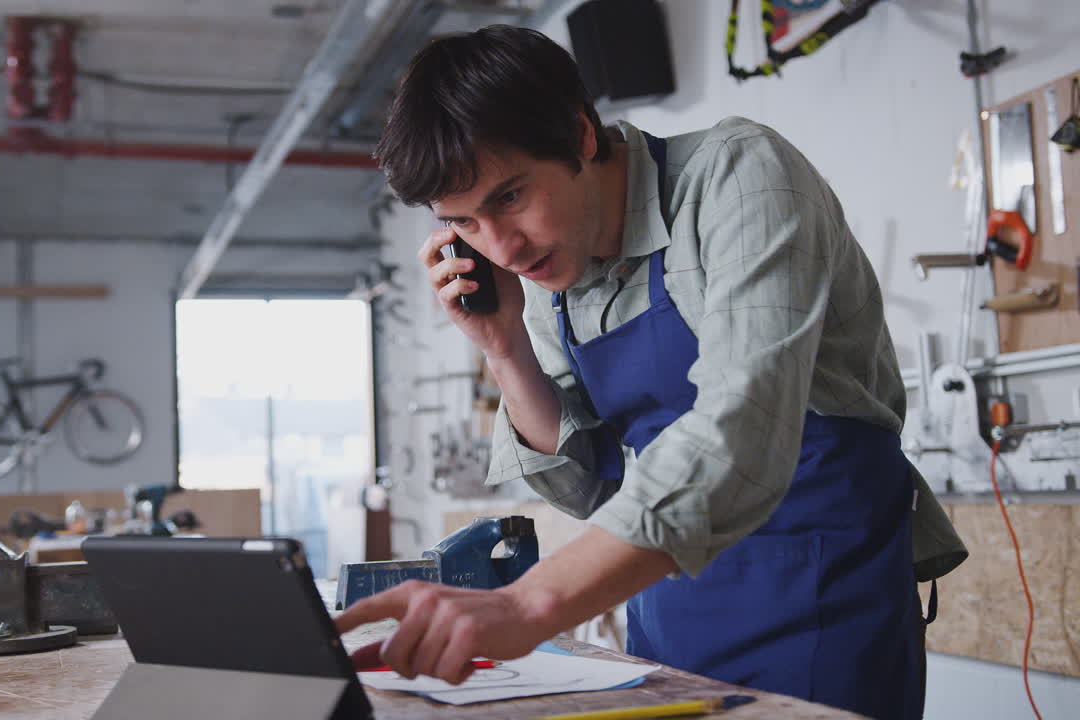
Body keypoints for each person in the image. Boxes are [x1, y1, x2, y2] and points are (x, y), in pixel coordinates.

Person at [334, 25, 966, 719]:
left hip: (821, 596)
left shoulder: (738, 176)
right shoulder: (551, 273)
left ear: (579, 136)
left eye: (510, 197)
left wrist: (526, 602)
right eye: (467, 223)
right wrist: (503, 344)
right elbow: (589, 487)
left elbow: (740, 433)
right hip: (669, 614)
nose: (503, 248)